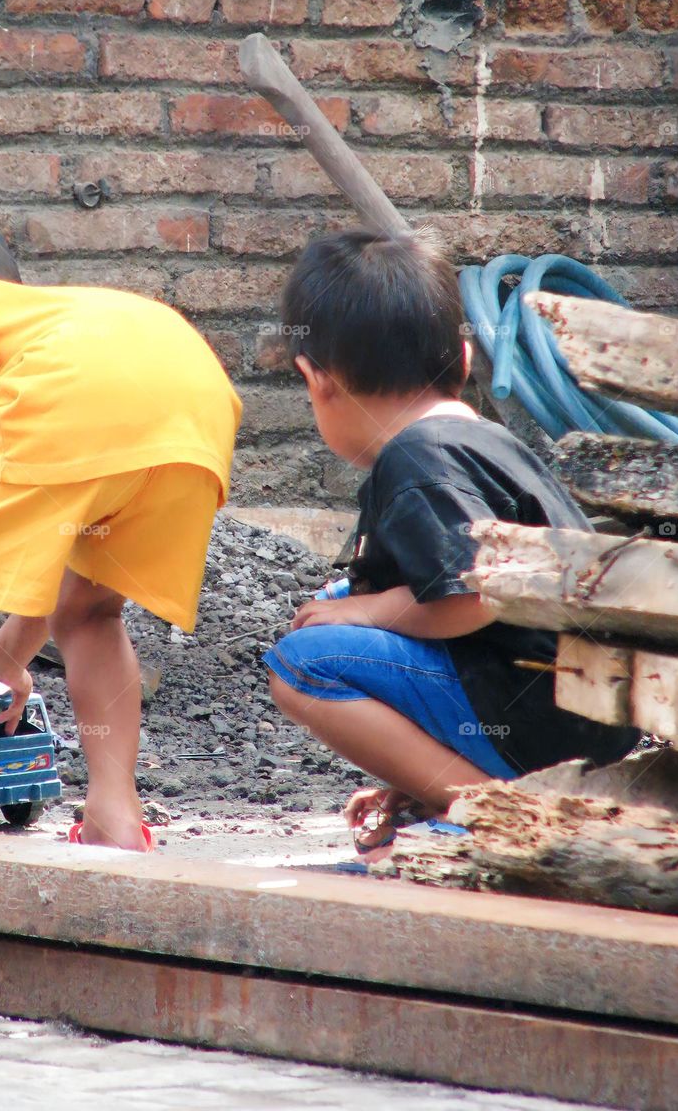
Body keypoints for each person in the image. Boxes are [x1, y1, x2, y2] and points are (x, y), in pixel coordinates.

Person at [0, 201, 241, 848]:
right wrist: (1, 662)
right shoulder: (45, 328)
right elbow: (51, 575)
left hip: (81, 392)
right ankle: (114, 812)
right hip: (192, 399)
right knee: (88, 611)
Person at [263, 230, 639, 856]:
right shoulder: (486, 442)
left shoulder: (418, 459)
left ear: (316, 379)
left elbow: (476, 597)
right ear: (464, 361)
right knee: (340, 596)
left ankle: (491, 810)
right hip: (585, 703)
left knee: (304, 662)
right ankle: (449, 793)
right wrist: (412, 784)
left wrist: (367, 610)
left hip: (545, 709)